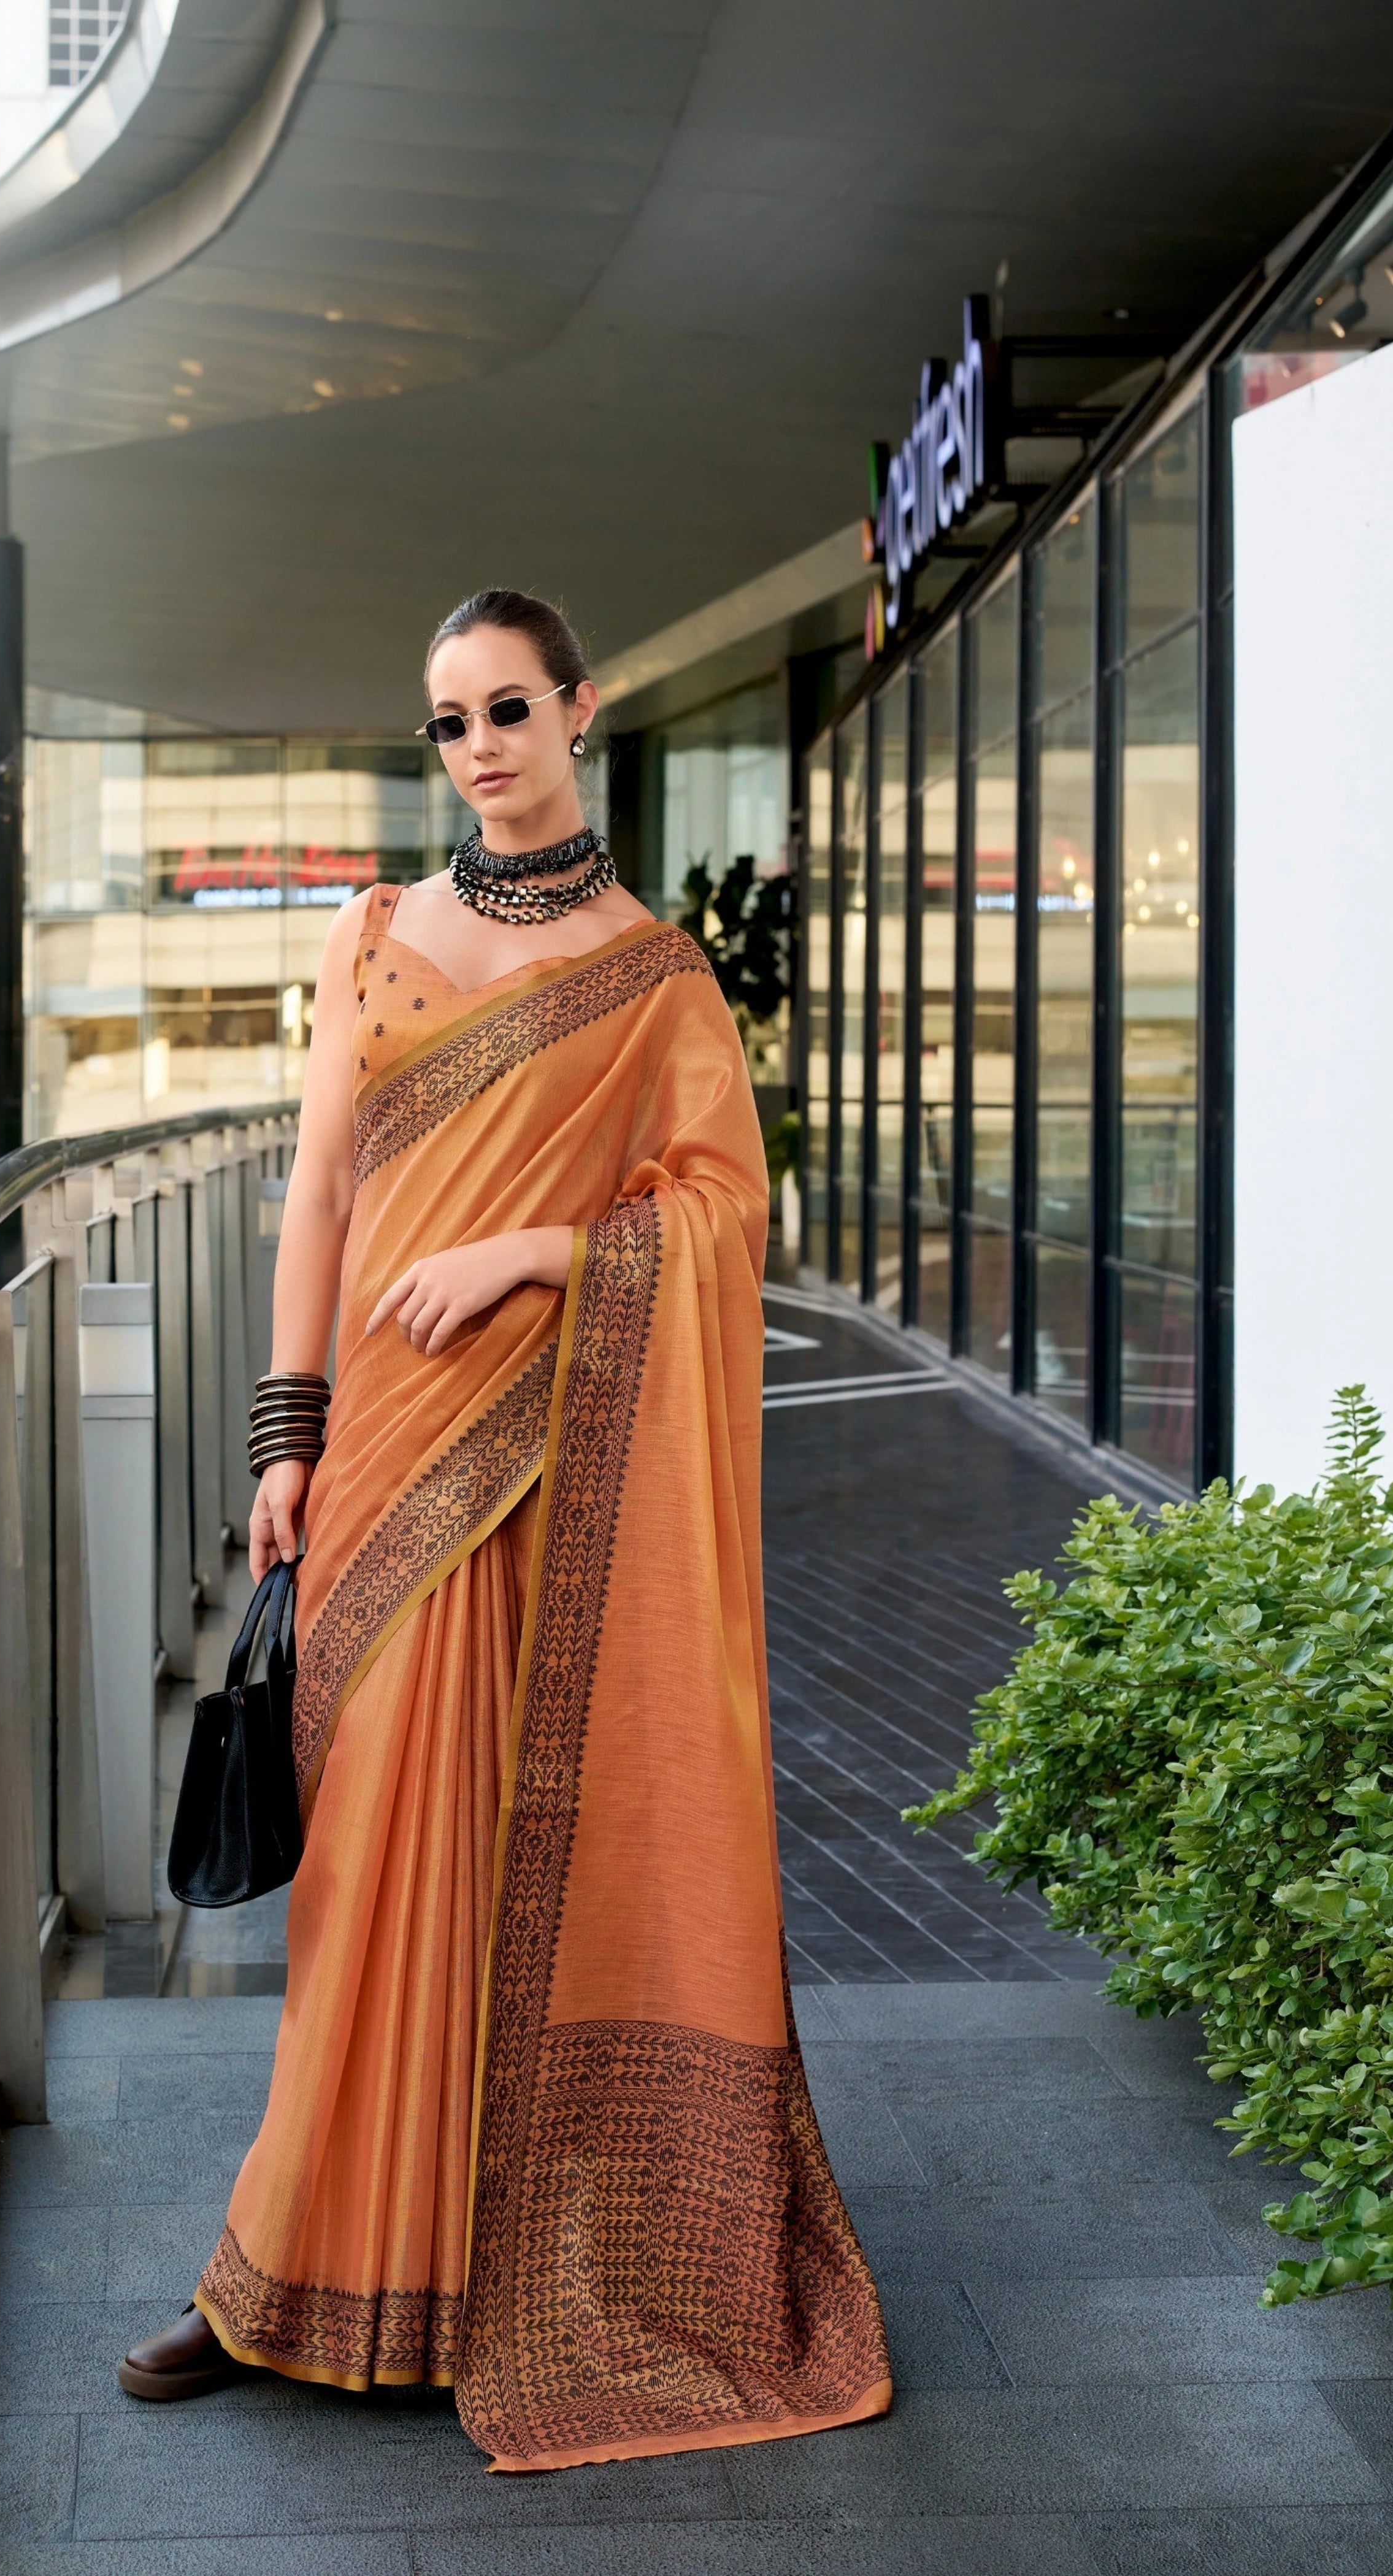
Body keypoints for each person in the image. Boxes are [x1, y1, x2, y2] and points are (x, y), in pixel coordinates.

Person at [118, 588, 891, 2470]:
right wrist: (282, 1439)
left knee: (505, 1855)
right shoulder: (374, 936)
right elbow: (314, 1201)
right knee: (374, 1857)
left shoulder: (655, 977)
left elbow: (721, 1221)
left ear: (578, 712)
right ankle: (293, 2270)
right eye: (448, 721)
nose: (477, 747)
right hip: (378, 1449)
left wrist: (542, 1247)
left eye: (507, 710)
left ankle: (492, 2281)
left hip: (555, 1453)